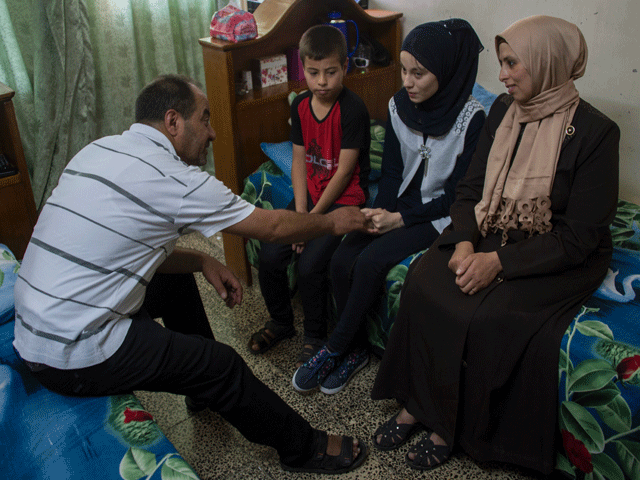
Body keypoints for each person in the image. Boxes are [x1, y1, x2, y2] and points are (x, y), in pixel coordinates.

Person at [12, 74, 370, 474]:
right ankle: (305, 449)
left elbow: (128, 246)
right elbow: (272, 228)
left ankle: (201, 393)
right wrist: (334, 222)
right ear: (172, 122)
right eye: (205, 119)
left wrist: (201, 260)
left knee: (175, 278)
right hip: (72, 349)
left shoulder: (100, 149)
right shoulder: (174, 180)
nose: (213, 132)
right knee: (221, 365)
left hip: (38, 319)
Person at [370, 15, 620, 474]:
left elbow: (578, 237)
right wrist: (464, 242)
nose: (501, 75)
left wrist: (498, 263)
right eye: (502, 63)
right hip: (491, 226)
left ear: (546, 63)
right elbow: (471, 189)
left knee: (489, 313)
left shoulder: (595, 133)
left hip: (555, 250)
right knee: (426, 279)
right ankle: (418, 403)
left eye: (511, 63)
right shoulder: (505, 111)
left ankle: (450, 425)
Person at [291, 19, 486, 395]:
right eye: (403, 70)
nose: (408, 82)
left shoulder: (473, 119)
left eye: (419, 73)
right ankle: (358, 350)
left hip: (441, 214)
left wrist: (401, 219)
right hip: (401, 203)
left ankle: (336, 348)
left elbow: (462, 196)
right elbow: (392, 173)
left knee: (368, 262)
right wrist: (378, 214)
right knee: (341, 258)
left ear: (444, 72)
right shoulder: (399, 106)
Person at [248, 24, 371, 369]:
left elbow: (345, 171)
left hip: (342, 199)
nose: (322, 81)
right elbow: (299, 159)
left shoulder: (353, 110)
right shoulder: (301, 105)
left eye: (331, 73)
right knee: (271, 252)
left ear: (344, 67)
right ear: (302, 69)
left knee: (311, 263)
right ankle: (281, 322)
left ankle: (315, 335)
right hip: (310, 200)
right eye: (313, 73)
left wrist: (312, 221)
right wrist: (300, 213)